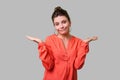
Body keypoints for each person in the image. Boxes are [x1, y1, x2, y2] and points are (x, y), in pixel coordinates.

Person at [26, 6, 98, 80]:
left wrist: (84, 45)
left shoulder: (78, 42)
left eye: (64, 22)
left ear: (70, 22)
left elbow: (78, 66)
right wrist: (41, 45)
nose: (61, 26)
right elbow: (48, 66)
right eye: (57, 24)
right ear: (54, 26)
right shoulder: (50, 40)